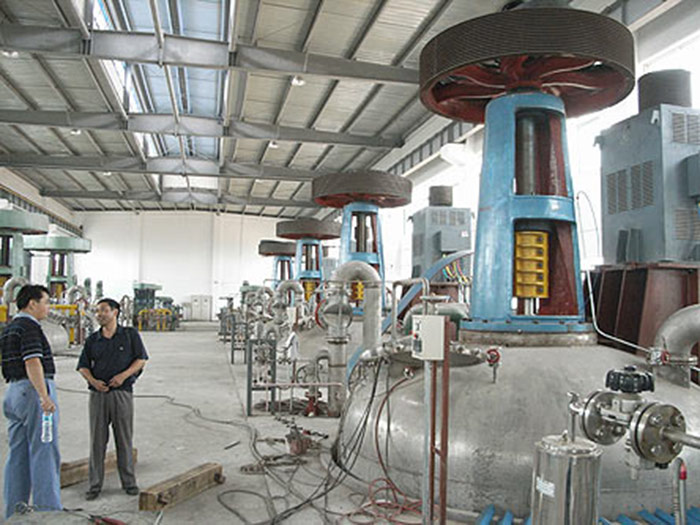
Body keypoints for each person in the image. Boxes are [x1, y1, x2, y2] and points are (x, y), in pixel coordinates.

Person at [77, 298, 148, 500]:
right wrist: (93, 381)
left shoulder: (129, 335)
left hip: (122, 393)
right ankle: (95, 485)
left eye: (104, 310)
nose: (99, 314)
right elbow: (83, 366)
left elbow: (141, 360)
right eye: (97, 311)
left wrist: (123, 376)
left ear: (115, 312)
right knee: (97, 441)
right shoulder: (93, 340)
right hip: (98, 395)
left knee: (124, 439)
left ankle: (129, 482)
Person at [1, 284, 61, 519]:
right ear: (32, 303)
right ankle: (48, 513)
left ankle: (14, 512)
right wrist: (44, 396)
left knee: (18, 454)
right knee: (44, 451)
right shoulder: (29, 327)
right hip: (34, 393)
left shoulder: (10, 328)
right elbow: (32, 361)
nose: (48, 307)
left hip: (14, 393)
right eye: (46, 302)